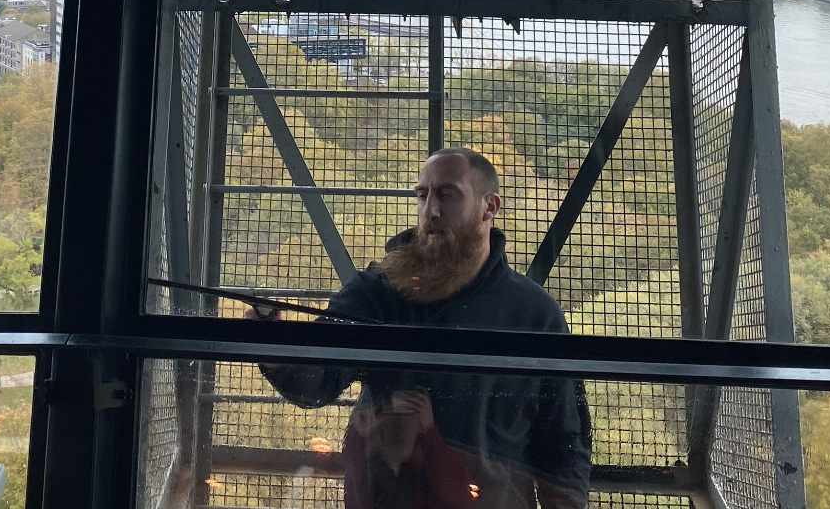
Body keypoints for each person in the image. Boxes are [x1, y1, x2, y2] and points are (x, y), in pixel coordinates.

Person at [249, 149, 592, 509]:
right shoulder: (379, 292)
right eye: (422, 194)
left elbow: (564, 444)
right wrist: (271, 340)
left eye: (447, 194)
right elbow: (317, 380)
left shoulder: (535, 315)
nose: (431, 210)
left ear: (489, 207)